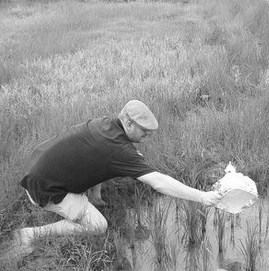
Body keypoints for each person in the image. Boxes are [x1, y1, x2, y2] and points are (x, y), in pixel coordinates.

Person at [14, 100, 221, 255]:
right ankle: (31, 233)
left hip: (36, 166)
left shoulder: (106, 125)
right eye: (144, 131)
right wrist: (203, 197)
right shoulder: (118, 150)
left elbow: (99, 157)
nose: (147, 136)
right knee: (98, 226)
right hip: (43, 188)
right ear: (128, 123)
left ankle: (94, 198)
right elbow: (158, 182)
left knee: (104, 163)